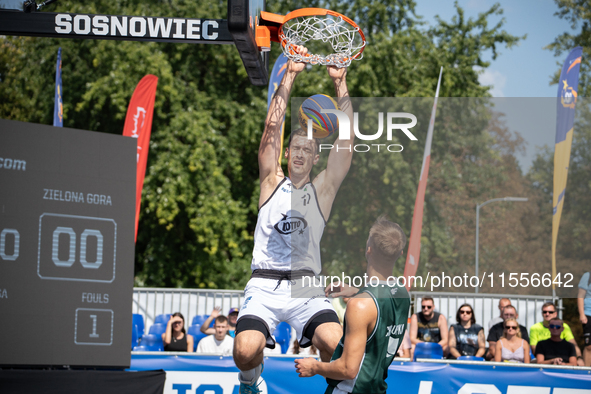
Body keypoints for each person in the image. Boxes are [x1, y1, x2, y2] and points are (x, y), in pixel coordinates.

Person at [233, 45, 355, 394]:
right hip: (265, 284)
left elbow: (345, 145)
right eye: (295, 148)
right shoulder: (272, 182)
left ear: (316, 158)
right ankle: (250, 380)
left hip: (306, 286)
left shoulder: (322, 190)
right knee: (244, 352)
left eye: (307, 149)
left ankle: (340, 389)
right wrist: (289, 76)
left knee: (341, 350)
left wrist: (340, 83)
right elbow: (272, 131)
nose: (300, 153)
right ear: (288, 155)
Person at [294, 216, 411, 394]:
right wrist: (358, 291)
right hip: (377, 388)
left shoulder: (360, 306)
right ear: (400, 254)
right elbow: (382, 297)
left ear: (368, 249)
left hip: (350, 391)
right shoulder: (402, 293)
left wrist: (315, 367)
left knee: (320, 337)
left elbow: (348, 369)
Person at [578, 271, 591, 366]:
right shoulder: (587, 275)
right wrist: (582, 314)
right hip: (588, 314)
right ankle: (587, 372)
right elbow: (580, 296)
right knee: (589, 346)